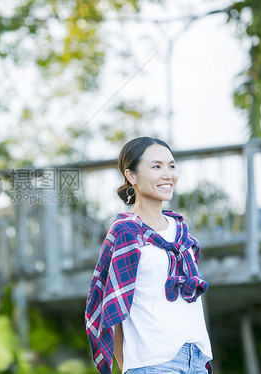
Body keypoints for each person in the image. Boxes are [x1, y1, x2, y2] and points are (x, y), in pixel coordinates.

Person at [84, 137, 213, 374]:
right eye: (156, 167)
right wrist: (129, 366)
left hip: (196, 357)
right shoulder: (126, 231)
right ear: (131, 176)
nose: (168, 174)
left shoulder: (181, 228)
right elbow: (112, 307)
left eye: (171, 166)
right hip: (152, 362)